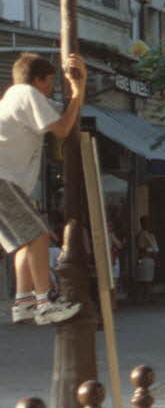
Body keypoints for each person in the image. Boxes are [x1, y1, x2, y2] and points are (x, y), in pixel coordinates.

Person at [0, 52, 87, 325]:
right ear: (38, 80)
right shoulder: (27, 93)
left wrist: (76, 90)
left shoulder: (14, 97)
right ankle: (44, 302)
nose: (50, 88)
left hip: (8, 181)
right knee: (39, 235)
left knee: (26, 241)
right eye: (49, 81)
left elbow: (64, 112)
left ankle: (23, 302)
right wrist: (78, 89)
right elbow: (62, 129)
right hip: (3, 179)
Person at [135, 216, 159, 303]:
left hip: (151, 259)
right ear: (142, 223)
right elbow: (141, 248)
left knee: (149, 279)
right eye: (146, 222)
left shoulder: (150, 235)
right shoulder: (142, 234)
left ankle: (148, 296)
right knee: (144, 280)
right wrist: (150, 253)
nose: (148, 224)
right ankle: (143, 298)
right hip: (145, 258)